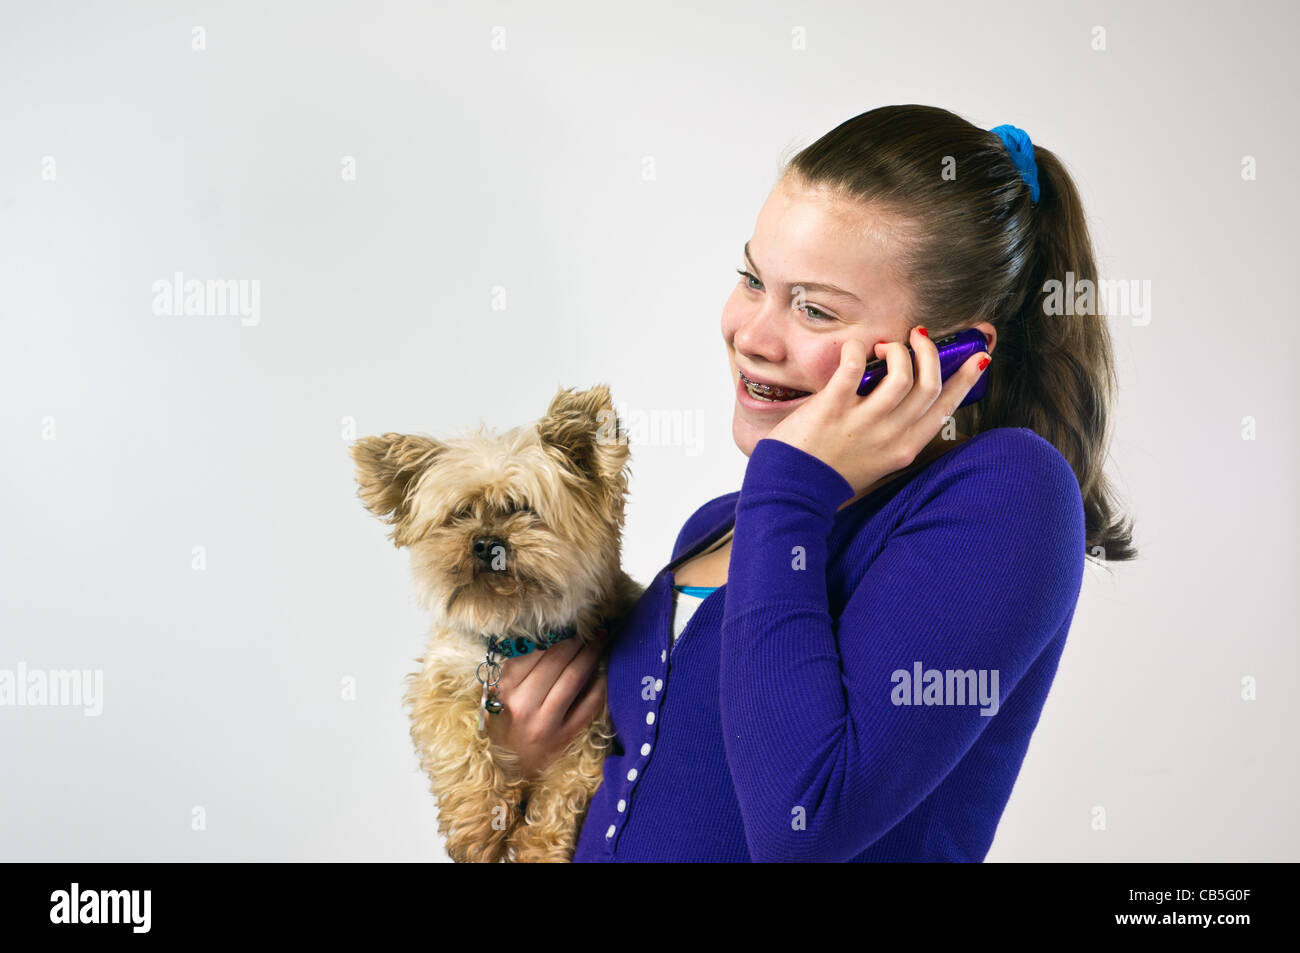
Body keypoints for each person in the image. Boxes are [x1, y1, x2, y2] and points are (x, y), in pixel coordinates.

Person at [486, 104, 1136, 862]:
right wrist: (517, 775)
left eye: (815, 308)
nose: (753, 336)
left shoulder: (1008, 493)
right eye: (752, 278)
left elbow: (805, 821)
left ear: (954, 354)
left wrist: (787, 486)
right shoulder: (722, 525)